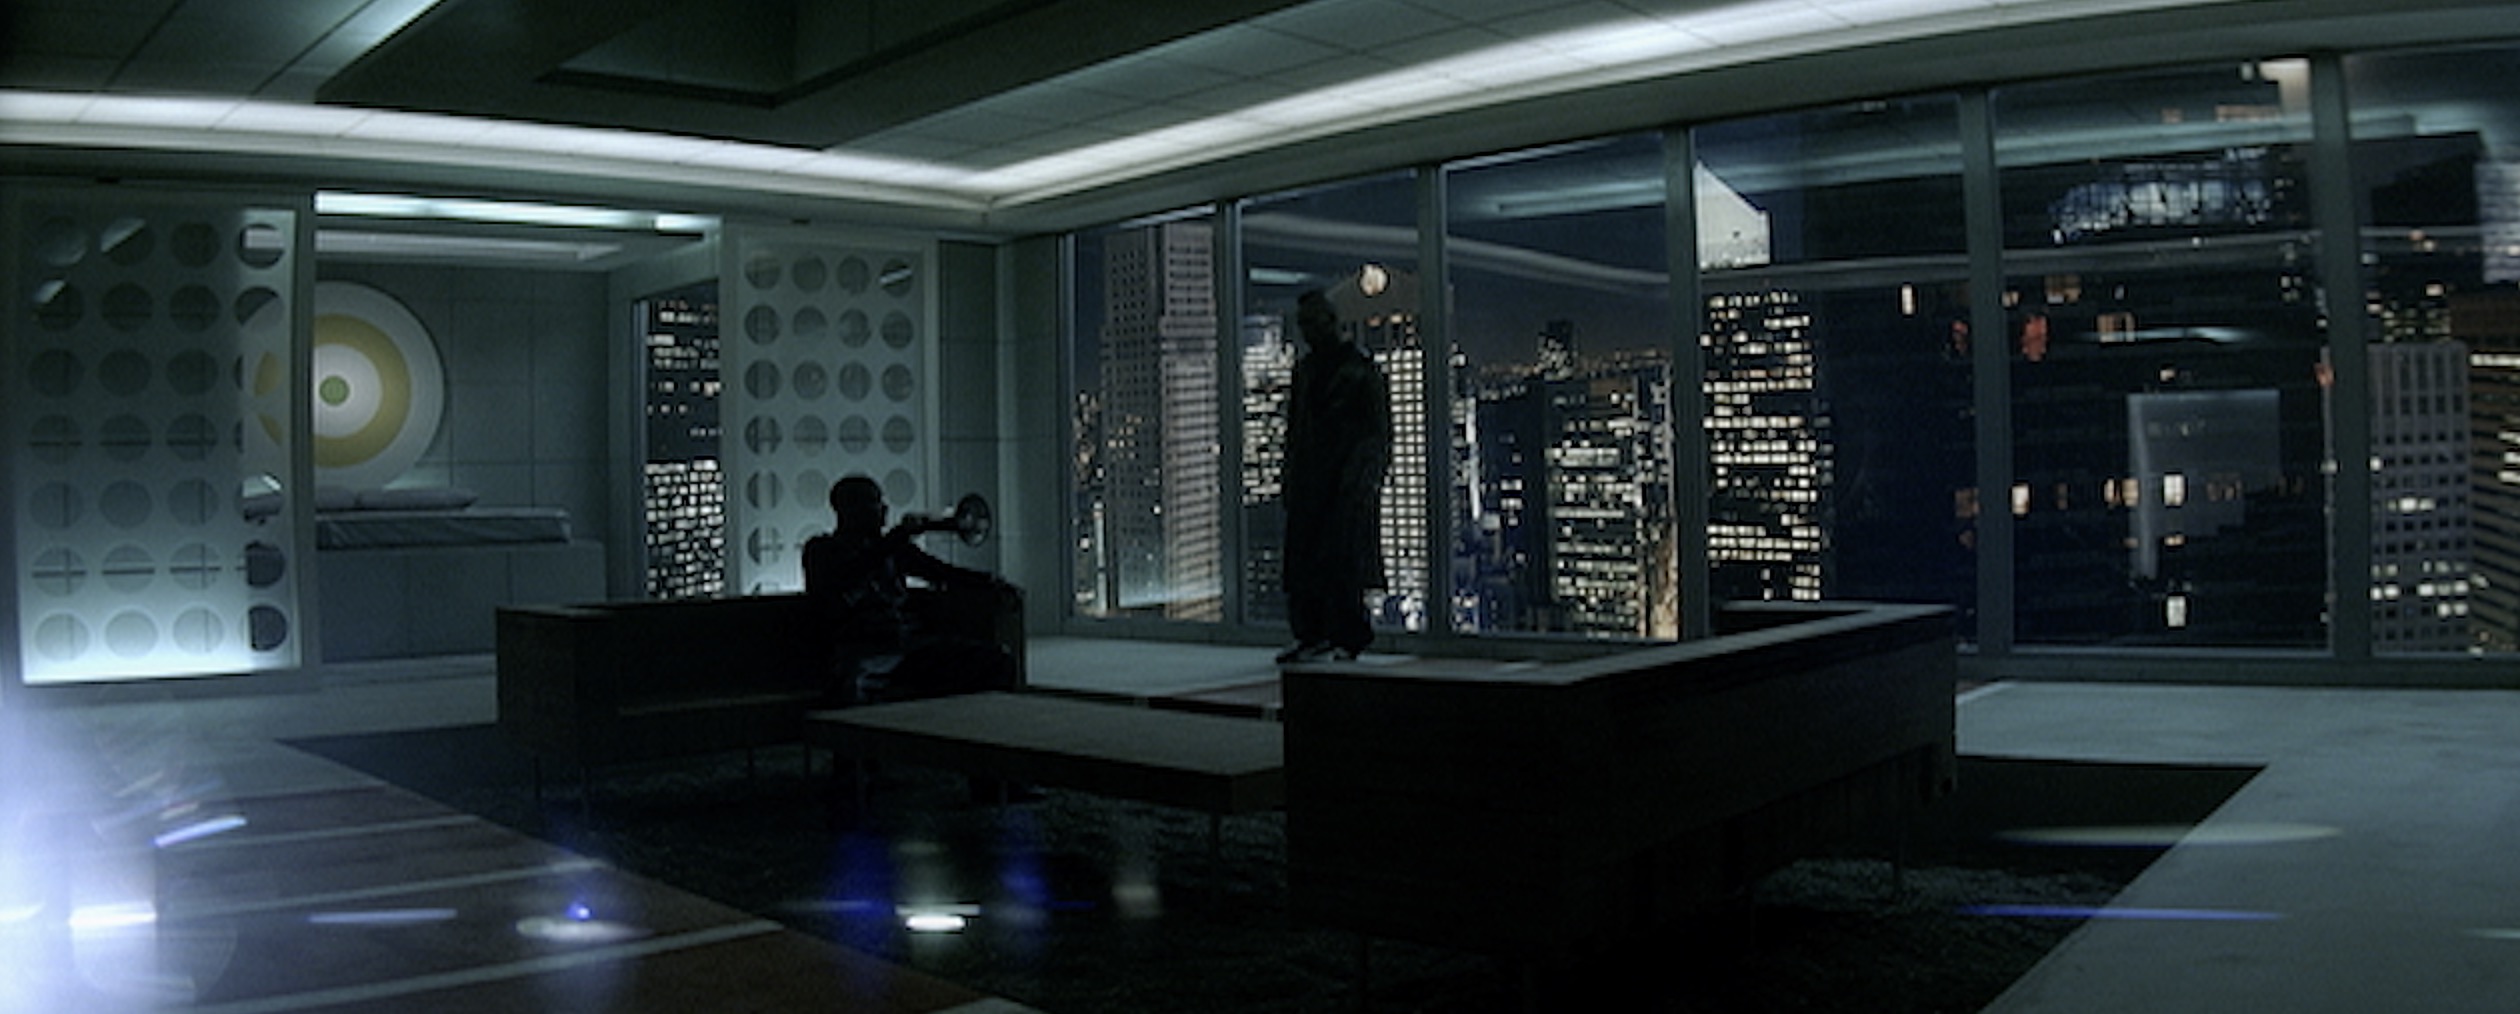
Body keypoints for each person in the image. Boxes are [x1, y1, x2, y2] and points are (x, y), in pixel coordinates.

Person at [802, 474, 1019, 705]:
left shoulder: (893, 549)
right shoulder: (822, 549)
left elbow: (940, 572)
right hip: (863, 650)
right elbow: (850, 575)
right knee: (851, 686)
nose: (884, 509)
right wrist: (895, 539)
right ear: (848, 510)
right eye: (875, 502)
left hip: (909, 645)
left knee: (997, 660)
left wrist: (990, 581)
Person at [1279, 288, 1390, 664]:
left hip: (1345, 483)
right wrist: (1289, 475)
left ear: (1331, 321)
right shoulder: (1306, 370)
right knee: (1305, 565)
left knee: (1343, 565)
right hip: (1310, 481)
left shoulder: (1361, 370)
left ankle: (1348, 635)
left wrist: (1363, 480)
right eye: (1302, 324)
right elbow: (1295, 429)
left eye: (1311, 323)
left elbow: (1377, 433)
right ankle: (1312, 635)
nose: (1306, 331)